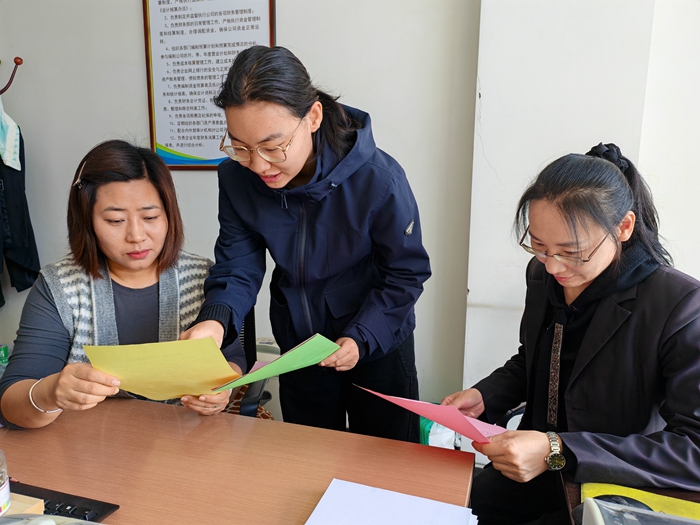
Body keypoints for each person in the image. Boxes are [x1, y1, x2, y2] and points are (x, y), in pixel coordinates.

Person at [180, 45, 431, 442]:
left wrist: (361, 337)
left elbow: (405, 274)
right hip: (300, 344)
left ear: (313, 117)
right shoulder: (237, 179)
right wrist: (215, 319)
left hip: (377, 338)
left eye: (272, 146)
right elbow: (238, 266)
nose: (258, 164)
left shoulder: (378, 179)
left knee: (385, 457)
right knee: (308, 455)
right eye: (240, 147)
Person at [442, 143, 700, 524]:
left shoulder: (678, 304)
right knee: (447, 507)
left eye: (572, 252)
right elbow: (533, 360)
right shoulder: (541, 275)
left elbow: (692, 449)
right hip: (530, 473)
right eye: (539, 246)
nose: (552, 266)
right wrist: (485, 395)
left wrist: (556, 449)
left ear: (624, 227)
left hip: (607, 488)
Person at [0, 140, 246, 429]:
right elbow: (11, 403)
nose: (136, 236)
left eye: (150, 217)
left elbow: (232, 359)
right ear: (87, 221)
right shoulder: (60, 287)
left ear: (169, 215)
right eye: (115, 220)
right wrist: (50, 392)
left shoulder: (203, 277)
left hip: (184, 441)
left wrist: (222, 391)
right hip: (87, 445)